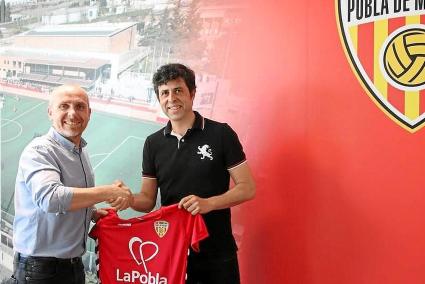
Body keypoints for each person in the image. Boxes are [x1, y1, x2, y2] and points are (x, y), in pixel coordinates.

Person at [131, 63, 256, 284]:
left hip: (217, 252)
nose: (171, 98)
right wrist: (127, 198)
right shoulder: (153, 143)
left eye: (178, 90)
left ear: (193, 93)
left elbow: (247, 188)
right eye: (165, 93)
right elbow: (147, 200)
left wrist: (209, 203)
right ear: (159, 98)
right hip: (172, 250)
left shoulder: (221, 134)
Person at [10, 84, 133, 284]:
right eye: (64, 106)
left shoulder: (80, 150)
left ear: (89, 113)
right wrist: (108, 191)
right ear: (50, 112)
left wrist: (92, 212)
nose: (72, 113)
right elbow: (51, 199)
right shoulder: (40, 150)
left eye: (80, 106)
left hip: (73, 267)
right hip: (41, 271)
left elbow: (70, 199)